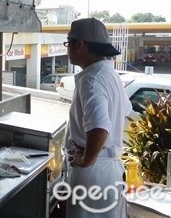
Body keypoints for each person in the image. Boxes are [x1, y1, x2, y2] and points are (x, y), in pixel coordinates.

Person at [63, 18, 132, 217]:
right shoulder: (109, 72)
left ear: (79, 44)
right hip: (109, 172)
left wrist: (87, 158)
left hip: (93, 174)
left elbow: (100, 128)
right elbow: (124, 110)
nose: (68, 48)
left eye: (68, 43)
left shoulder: (92, 80)